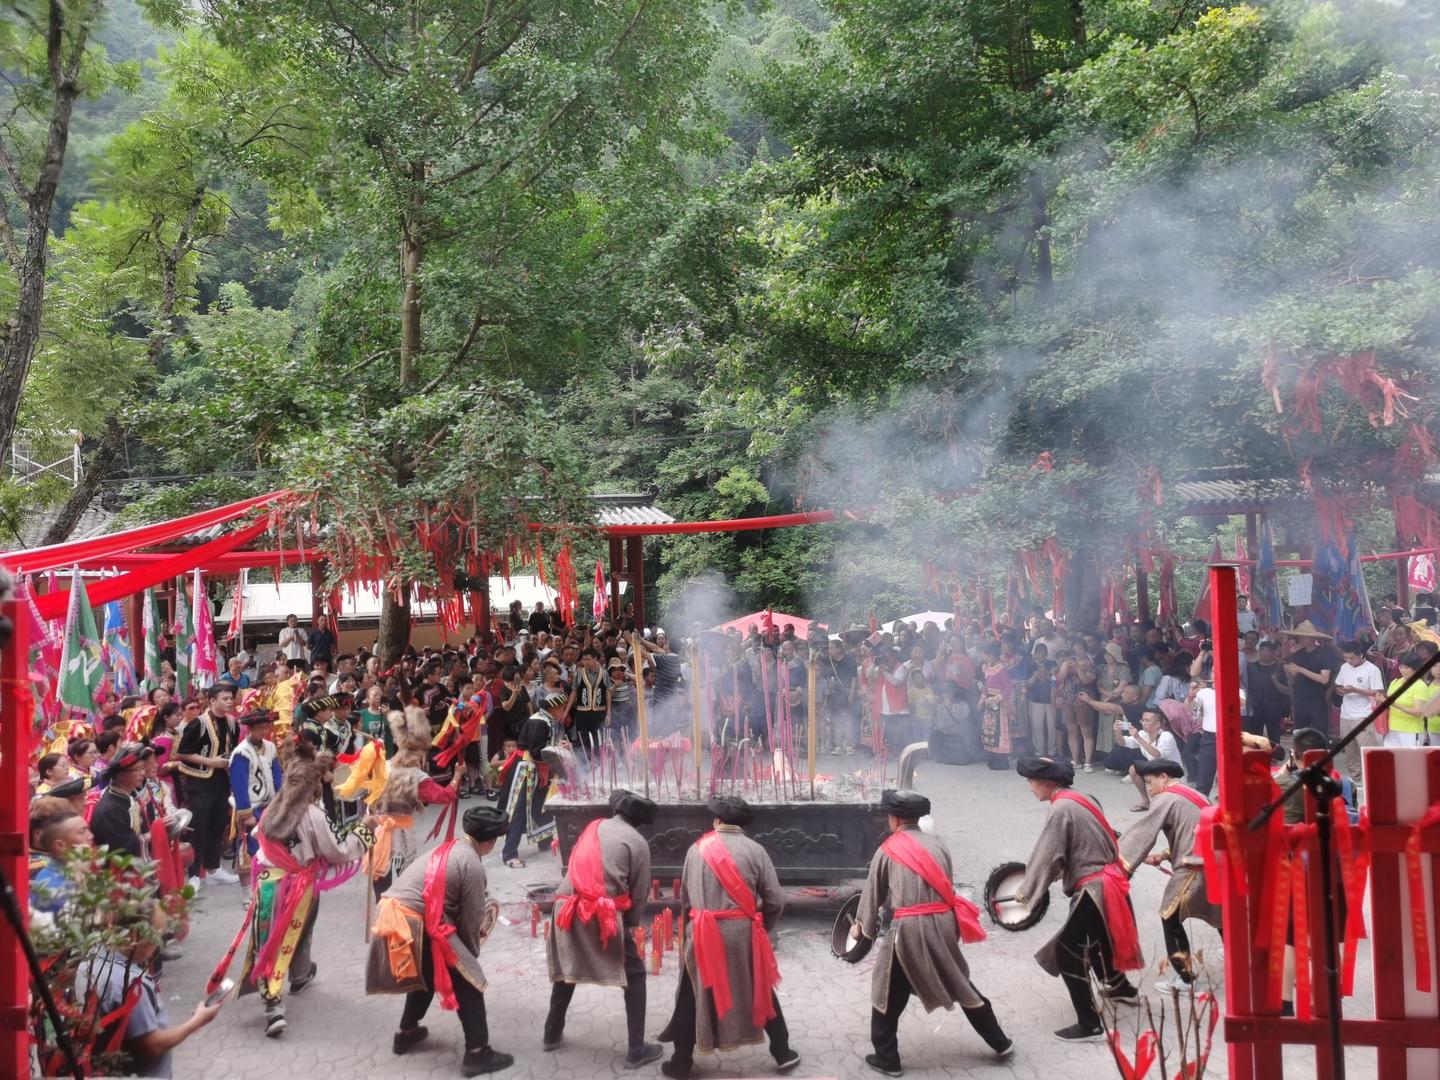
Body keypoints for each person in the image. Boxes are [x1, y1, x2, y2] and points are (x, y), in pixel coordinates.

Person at [853, 790, 1011, 1077]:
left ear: (895, 818)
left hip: (910, 927)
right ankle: (999, 1041)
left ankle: (887, 1058)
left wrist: (860, 926)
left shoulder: (888, 849)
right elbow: (946, 883)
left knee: (885, 989)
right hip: (943, 921)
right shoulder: (939, 846)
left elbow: (872, 893)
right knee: (958, 981)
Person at [230, 742, 375, 1038]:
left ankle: (298, 975)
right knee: (291, 935)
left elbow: (261, 838)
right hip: (297, 888)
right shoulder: (313, 816)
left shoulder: (272, 809)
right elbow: (339, 850)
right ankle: (274, 1007)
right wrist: (365, 828)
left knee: (267, 938)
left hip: (267, 883)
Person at [366, 805, 514, 1076]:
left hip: (396, 912)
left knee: (427, 973)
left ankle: (407, 1032)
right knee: (468, 980)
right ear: (491, 841)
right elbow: (470, 921)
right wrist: (470, 956)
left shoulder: (454, 846)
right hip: (411, 919)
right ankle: (477, 1052)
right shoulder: (471, 864)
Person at [658, 794, 797, 1079]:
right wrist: (760, 928)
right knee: (760, 988)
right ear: (741, 826)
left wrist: (688, 934)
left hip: (701, 932)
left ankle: (681, 1061)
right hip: (742, 933)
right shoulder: (756, 851)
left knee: (691, 993)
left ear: (717, 820)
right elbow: (776, 900)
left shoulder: (695, 850)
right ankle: (782, 1053)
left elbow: (685, 900)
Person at [1012, 755, 1143, 1041]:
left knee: (1066, 952)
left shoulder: (1060, 808)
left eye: (1031, 782)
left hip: (1095, 888)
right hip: (1106, 881)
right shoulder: (1084, 798)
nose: (1029, 787)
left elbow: (1048, 854)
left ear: (1047, 782)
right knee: (1097, 941)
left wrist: (1025, 894)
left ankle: (1089, 1024)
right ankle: (1121, 988)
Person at [543, 788, 663, 1068]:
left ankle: (551, 1033)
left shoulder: (593, 825)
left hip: (565, 906)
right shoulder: (636, 842)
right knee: (634, 976)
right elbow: (640, 891)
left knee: (566, 969)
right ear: (640, 821)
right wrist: (630, 924)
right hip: (600, 912)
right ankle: (636, 1050)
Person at [77, 898, 223, 1077]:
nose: (157, 946)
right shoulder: (130, 984)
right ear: (135, 936)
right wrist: (196, 1022)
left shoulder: (89, 961)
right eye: (155, 937)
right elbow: (152, 1046)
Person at [1117, 759, 1222, 991]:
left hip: (1194, 866)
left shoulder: (1164, 798)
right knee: (1222, 916)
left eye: (1150, 781)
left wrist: (1120, 862)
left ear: (1164, 777)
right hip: (1217, 864)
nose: (1149, 788)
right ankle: (1242, 962)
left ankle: (1185, 980)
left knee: (1169, 916)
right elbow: (1193, 832)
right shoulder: (1194, 794)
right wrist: (1165, 854)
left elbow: (1144, 833)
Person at [370, 706, 462, 897]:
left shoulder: (383, 766)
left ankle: (382, 911)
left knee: (380, 879)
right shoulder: (416, 775)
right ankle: (396, 912)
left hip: (377, 829)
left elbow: (369, 796)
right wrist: (458, 776)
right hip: (400, 833)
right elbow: (444, 796)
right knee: (405, 879)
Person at [175, 683, 240, 885]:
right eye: (224, 699)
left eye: (231, 698)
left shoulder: (232, 723)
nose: (229, 702)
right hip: (199, 781)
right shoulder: (197, 724)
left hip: (221, 780)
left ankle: (214, 868)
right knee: (199, 827)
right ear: (212, 701)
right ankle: (195, 874)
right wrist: (210, 761)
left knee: (218, 824)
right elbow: (182, 753)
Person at [496, 691, 562, 867]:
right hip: (527, 768)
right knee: (518, 811)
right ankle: (509, 854)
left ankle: (545, 840)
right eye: (561, 708)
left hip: (539, 769)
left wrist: (559, 746)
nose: (562, 711)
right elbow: (535, 751)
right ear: (554, 708)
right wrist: (557, 751)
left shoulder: (547, 719)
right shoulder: (539, 721)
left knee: (542, 806)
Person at [229, 710, 283, 860]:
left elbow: (277, 775)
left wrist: (282, 799)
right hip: (253, 805)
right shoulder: (241, 752)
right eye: (261, 728)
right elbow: (239, 786)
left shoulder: (270, 746)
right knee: (254, 846)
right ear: (250, 729)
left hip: (271, 804)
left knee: (273, 843)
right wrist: (247, 814)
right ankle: (254, 878)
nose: (265, 731)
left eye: (267, 727)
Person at [29, 796, 92, 915]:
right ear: (38, 834)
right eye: (81, 831)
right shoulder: (40, 871)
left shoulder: (65, 865)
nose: (90, 836)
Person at [90, 743, 154, 859]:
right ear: (121, 775)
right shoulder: (109, 810)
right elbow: (121, 849)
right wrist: (155, 834)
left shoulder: (130, 795)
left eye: (142, 768)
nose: (143, 773)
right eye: (138, 769)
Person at [1334, 639, 1385, 783]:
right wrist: (1340, 691)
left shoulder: (1372, 669)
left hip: (1364, 715)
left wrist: (1356, 690)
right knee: (1350, 752)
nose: (1348, 661)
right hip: (1346, 715)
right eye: (1346, 657)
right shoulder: (1344, 667)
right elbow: (1338, 685)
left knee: (1367, 750)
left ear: (1361, 655)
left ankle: (1375, 780)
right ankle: (1355, 781)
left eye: (1352, 657)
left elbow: (1378, 692)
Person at [1280, 621, 1337, 732]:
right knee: (1301, 735)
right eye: (1299, 636)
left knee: (1319, 735)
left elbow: (1324, 679)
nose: (1301, 639)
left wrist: (1300, 670)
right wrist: (1284, 644)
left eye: (1304, 637)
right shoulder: (1297, 654)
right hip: (1299, 700)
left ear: (1312, 638)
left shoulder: (1324, 654)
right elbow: (1285, 665)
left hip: (1317, 700)